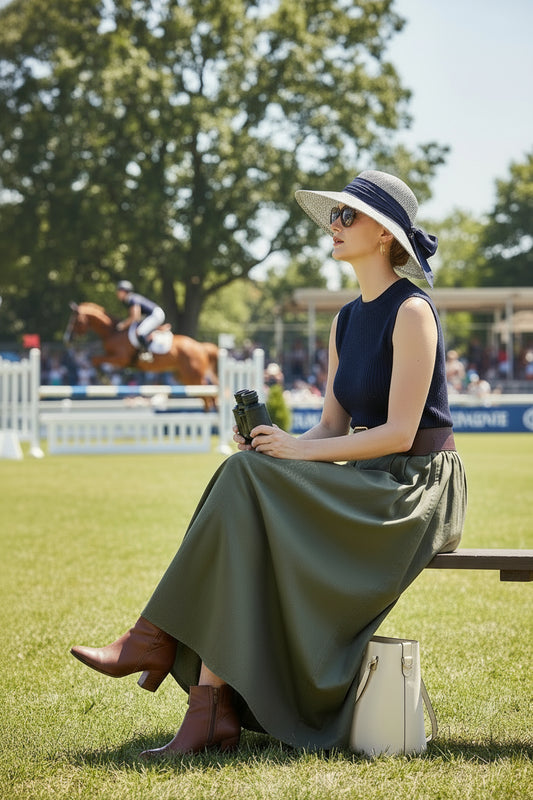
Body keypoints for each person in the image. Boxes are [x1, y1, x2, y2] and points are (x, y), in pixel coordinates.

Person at [71, 170, 467, 758]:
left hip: (414, 488)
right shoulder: (346, 319)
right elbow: (332, 426)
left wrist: (300, 451)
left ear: (385, 235)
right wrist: (274, 440)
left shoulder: (413, 312)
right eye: (335, 215)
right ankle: (206, 702)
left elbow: (402, 431)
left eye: (347, 216)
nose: (334, 225)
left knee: (245, 485)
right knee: (245, 474)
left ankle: (159, 647)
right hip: (364, 476)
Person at [115, 280, 166, 354]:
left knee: (139, 332)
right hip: (153, 314)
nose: (117, 293)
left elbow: (135, 317)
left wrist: (123, 325)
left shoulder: (131, 299)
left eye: (118, 291)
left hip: (155, 315)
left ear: (124, 291)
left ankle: (147, 353)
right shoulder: (130, 298)